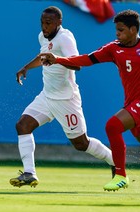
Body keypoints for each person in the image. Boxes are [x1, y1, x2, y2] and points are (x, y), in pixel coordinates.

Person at [39, 9, 140, 194]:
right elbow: (87, 59)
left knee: (112, 126)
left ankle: (120, 175)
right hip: (133, 103)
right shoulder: (113, 48)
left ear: (133, 30)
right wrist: (59, 59)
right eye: (116, 30)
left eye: (121, 30)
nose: (117, 34)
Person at [10, 6, 115, 188]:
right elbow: (42, 56)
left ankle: (115, 162)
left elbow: (77, 65)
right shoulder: (42, 36)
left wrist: (57, 59)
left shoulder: (65, 38)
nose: (44, 26)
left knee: (81, 144)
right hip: (47, 96)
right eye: (42, 22)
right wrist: (26, 67)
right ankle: (29, 173)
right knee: (23, 125)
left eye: (48, 23)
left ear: (59, 22)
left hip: (66, 100)